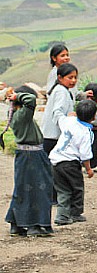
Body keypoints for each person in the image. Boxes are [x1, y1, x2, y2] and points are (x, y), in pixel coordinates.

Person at [4, 86, 54, 237]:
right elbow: (31, 100)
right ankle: (34, 225)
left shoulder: (16, 115)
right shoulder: (22, 115)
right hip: (32, 156)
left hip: (27, 156)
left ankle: (16, 224)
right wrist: (17, 96)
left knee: (23, 190)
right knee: (38, 189)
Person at [49, 100, 97, 226]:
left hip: (55, 160)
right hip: (70, 163)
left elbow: (62, 119)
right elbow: (85, 154)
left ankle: (62, 215)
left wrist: (71, 115)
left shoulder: (69, 121)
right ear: (93, 117)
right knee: (77, 188)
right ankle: (75, 213)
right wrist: (89, 169)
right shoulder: (86, 133)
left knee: (63, 189)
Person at [41, 63, 79, 156]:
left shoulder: (63, 89)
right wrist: (66, 119)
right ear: (60, 78)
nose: (73, 80)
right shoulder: (61, 91)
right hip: (53, 136)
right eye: (70, 78)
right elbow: (57, 112)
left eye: (75, 77)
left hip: (51, 134)